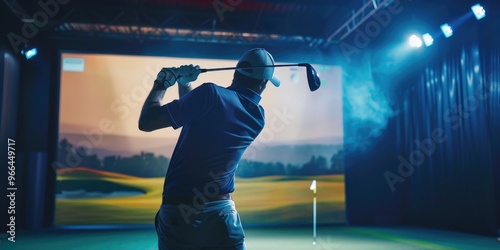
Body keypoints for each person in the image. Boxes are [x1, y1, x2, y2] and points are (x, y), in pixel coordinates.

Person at [138, 48, 280, 250]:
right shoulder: (257, 117)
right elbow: (196, 120)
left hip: (181, 211)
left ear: (235, 73)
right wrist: (186, 86)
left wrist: (162, 83)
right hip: (222, 213)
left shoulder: (209, 93)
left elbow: (147, 121)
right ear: (263, 83)